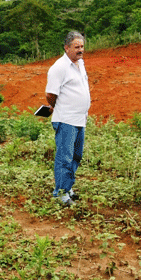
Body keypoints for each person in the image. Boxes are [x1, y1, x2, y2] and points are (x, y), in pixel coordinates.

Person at [45, 31, 91, 207]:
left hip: (80, 119)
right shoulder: (59, 67)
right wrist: (58, 106)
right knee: (64, 157)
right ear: (66, 48)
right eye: (76, 47)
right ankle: (61, 193)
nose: (80, 50)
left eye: (82, 47)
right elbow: (50, 94)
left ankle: (68, 187)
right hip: (66, 119)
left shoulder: (80, 63)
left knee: (76, 156)